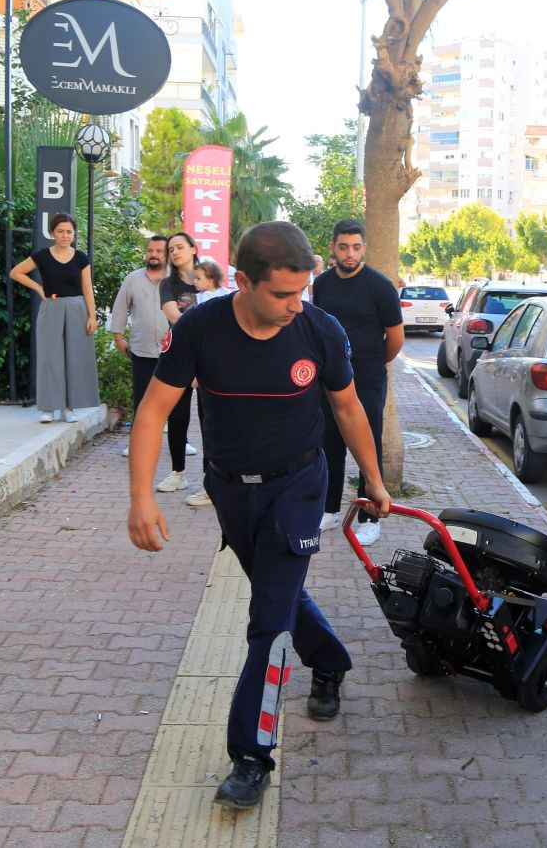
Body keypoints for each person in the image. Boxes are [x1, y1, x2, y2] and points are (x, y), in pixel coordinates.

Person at [127, 221, 392, 811]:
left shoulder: (319, 330)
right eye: (282, 294)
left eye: (302, 292)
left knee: (267, 621)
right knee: (280, 594)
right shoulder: (200, 329)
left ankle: (252, 754)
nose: (295, 306)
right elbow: (152, 412)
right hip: (230, 489)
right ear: (242, 281)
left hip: (298, 486)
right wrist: (141, 497)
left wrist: (373, 479)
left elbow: (348, 409)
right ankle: (330, 661)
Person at [311, 219, 403, 546]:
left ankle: (369, 517)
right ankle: (329, 510)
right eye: (343, 247)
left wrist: (375, 362)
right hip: (329, 377)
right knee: (329, 442)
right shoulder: (321, 285)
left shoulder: (379, 286)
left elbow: (395, 337)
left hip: (367, 377)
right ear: (333, 248)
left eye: (356, 247)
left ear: (364, 247)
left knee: (368, 444)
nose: (350, 254)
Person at [9, 212, 99, 423]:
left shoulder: (81, 258)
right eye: (60, 231)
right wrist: (38, 288)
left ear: (74, 233)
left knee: (75, 357)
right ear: (52, 233)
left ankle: (69, 407)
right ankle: (49, 407)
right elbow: (16, 272)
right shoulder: (42, 256)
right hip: (52, 308)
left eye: (69, 231)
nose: (65, 235)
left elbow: (87, 289)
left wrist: (92, 316)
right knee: (50, 357)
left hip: (77, 308)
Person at [110, 236, 171, 456]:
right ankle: (136, 443)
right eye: (150, 250)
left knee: (177, 401)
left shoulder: (177, 280)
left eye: (159, 251)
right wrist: (118, 338)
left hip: (173, 350)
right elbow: (119, 308)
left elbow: (190, 313)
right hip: (142, 348)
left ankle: (179, 442)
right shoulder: (132, 279)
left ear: (167, 255)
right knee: (142, 398)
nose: (154, 254)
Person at [157, 231, 201, 496]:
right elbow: (174, 316)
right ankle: (178, 473)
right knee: (177, 416)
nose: (174, 252)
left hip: (209, 353)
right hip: (179, 353)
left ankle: (211, 480)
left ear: (194, 249)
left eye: (180, 247)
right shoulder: (167, 284)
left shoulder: (209, 276)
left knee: (212, 418)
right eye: (171, 249)